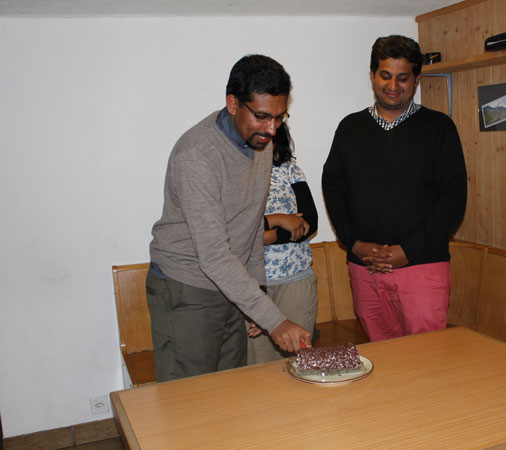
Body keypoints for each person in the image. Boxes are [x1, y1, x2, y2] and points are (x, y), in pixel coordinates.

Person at [147, 54, 311, 382]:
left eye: (279, 117)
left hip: (232, 285)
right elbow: (213, 256)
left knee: (230, 391)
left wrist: (257, 295)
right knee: (189, 397)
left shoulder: (261, 142)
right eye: (262, 116)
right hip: (187, 288)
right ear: (233, 103)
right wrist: (274, 320)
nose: (271, 129)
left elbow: (250, 226)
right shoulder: (197, 155)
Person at [321, 35, 467, 342]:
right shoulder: (350, 128)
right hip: (365, 267)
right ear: (372, 75)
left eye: (403, 78)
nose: (392, 85)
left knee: (427, 355)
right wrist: (354, 244)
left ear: (416, 79)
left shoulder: (439, 128)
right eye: (385, 75)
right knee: (382, 357)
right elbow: (333, 187)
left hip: (423, 265)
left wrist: (408, 251)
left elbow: (453, 199)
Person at [247, 123, 319, 364]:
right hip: (250, 287)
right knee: (256, 369)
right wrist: (280, 220)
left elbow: (309, 224)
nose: (264, 141)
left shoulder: (290, 171)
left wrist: (264, 236)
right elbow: (234, 231)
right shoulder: (234, 173)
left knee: (297, 363)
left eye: (271, 135)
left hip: (296, 280)